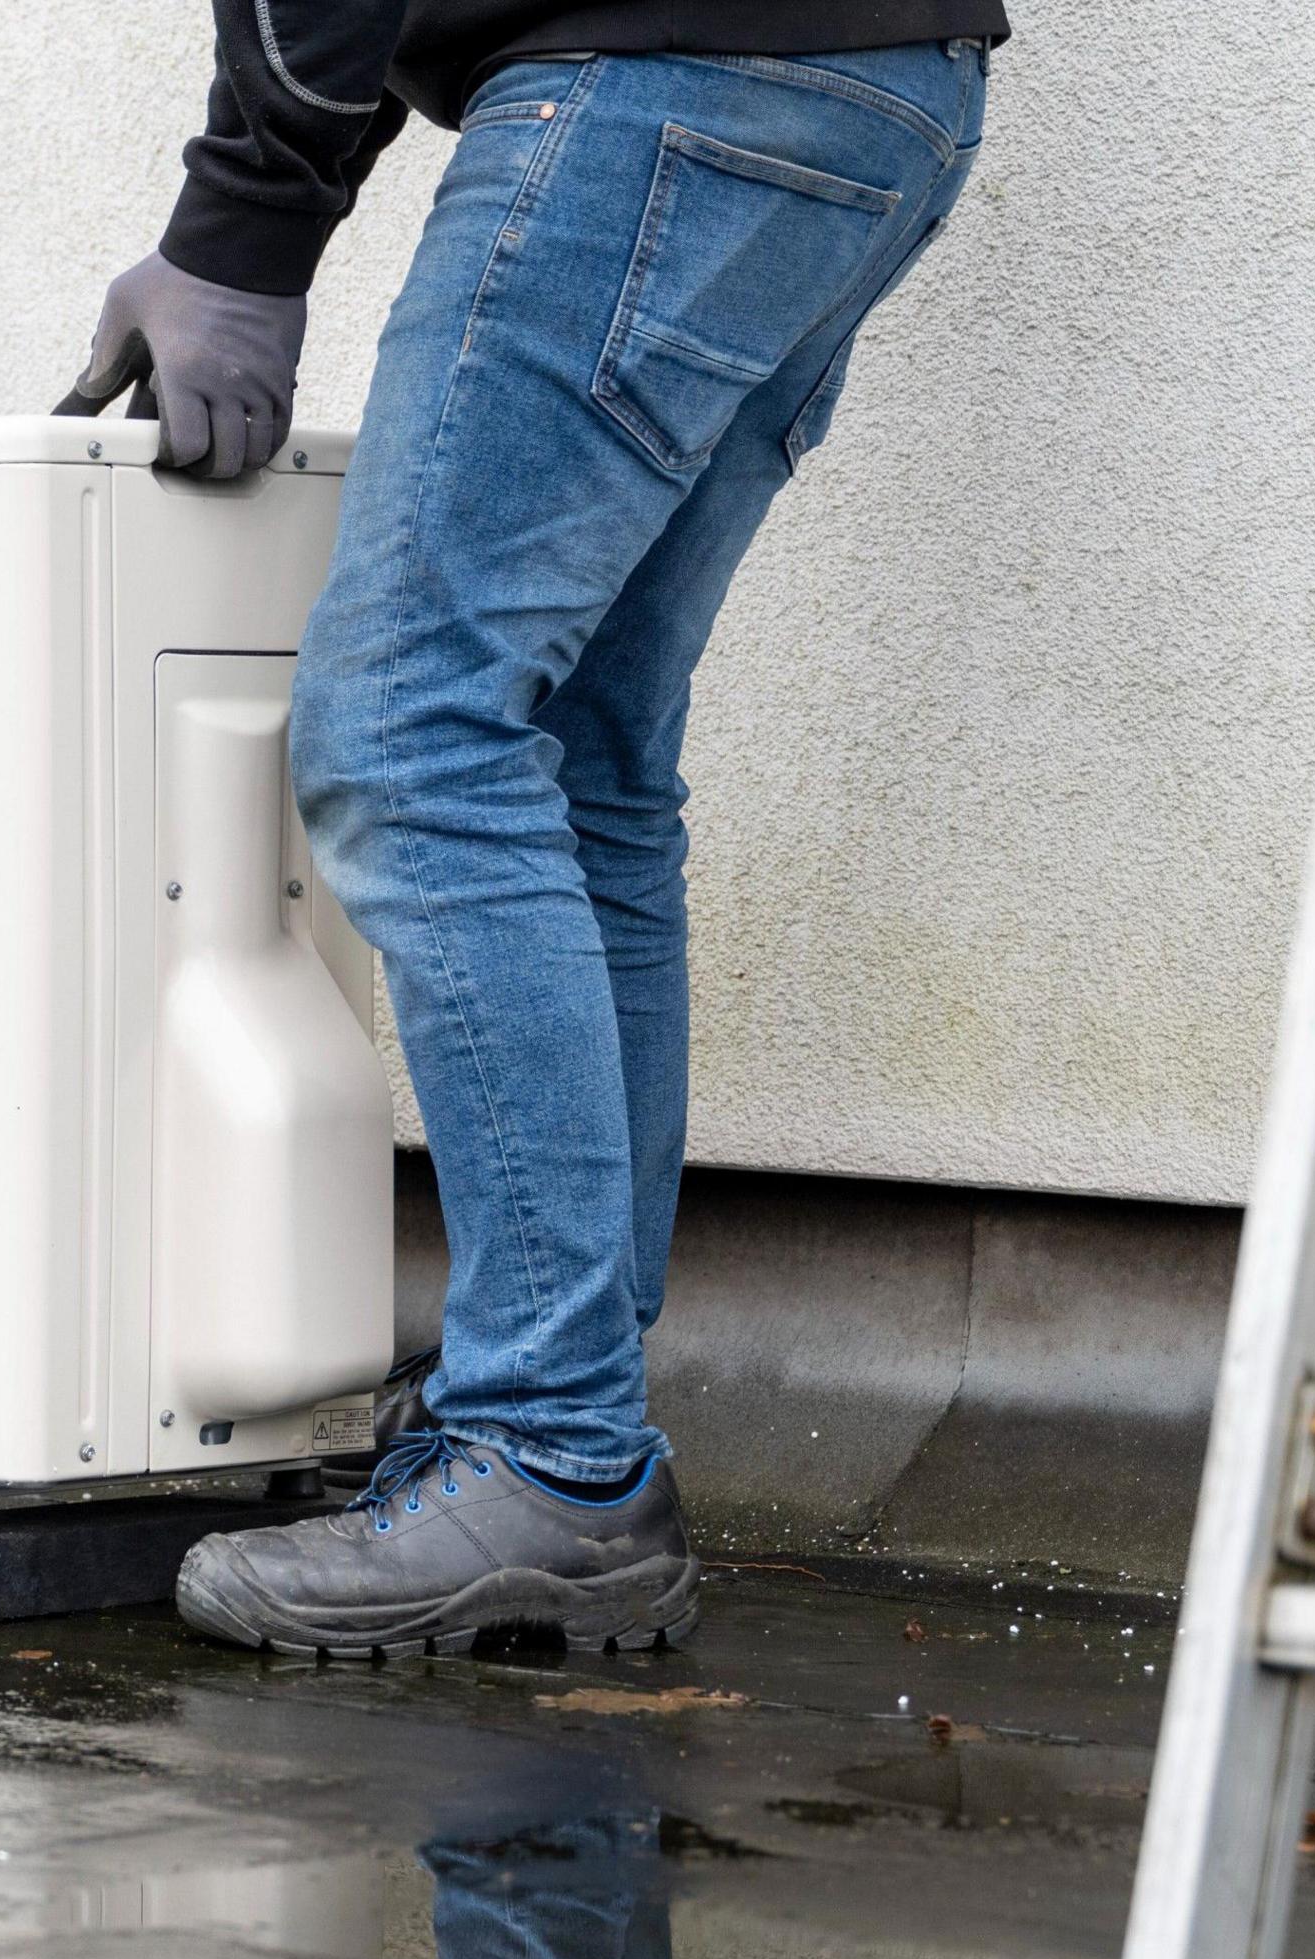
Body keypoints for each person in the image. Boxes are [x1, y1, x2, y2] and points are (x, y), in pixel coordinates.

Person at [72, 3, 1002, 1653]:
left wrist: (242, 227)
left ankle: (550, 1448)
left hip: (672, 72)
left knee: (412, 729)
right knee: (580, 761)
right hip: (877, 82)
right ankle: (564, 1426)